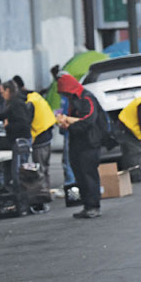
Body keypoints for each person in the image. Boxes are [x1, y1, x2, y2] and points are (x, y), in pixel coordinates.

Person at [56, 73, 102, 219]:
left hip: (89, 142)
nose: (65, 96)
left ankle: (94, 205)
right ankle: (87, 205)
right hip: (77, 142)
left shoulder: (87, 98)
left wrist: (70, 126)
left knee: (89, 175)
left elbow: (88, 120)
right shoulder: (74, 100)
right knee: (80, 175)